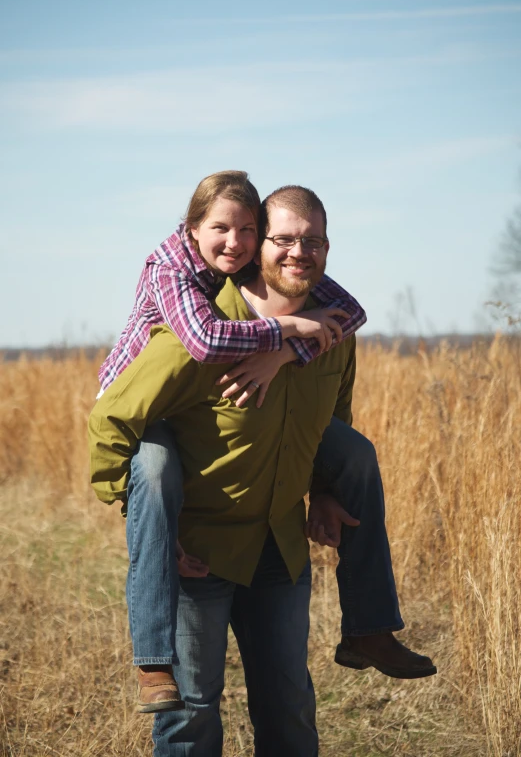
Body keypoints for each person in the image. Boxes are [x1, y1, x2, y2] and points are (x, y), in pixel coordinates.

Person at [90, 185, 435, 757]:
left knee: (290, 706)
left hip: (278, 550)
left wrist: (323, 492)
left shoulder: (332, 334)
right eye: (283, 239)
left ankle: (371, 628)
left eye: (313, 241)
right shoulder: (195, 337)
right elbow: (110, 421)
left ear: (328, 248)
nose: (299, 252)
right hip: (199, 554)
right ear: (256, 248)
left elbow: (332, 420)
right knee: (191, 715)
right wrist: (146, 522)